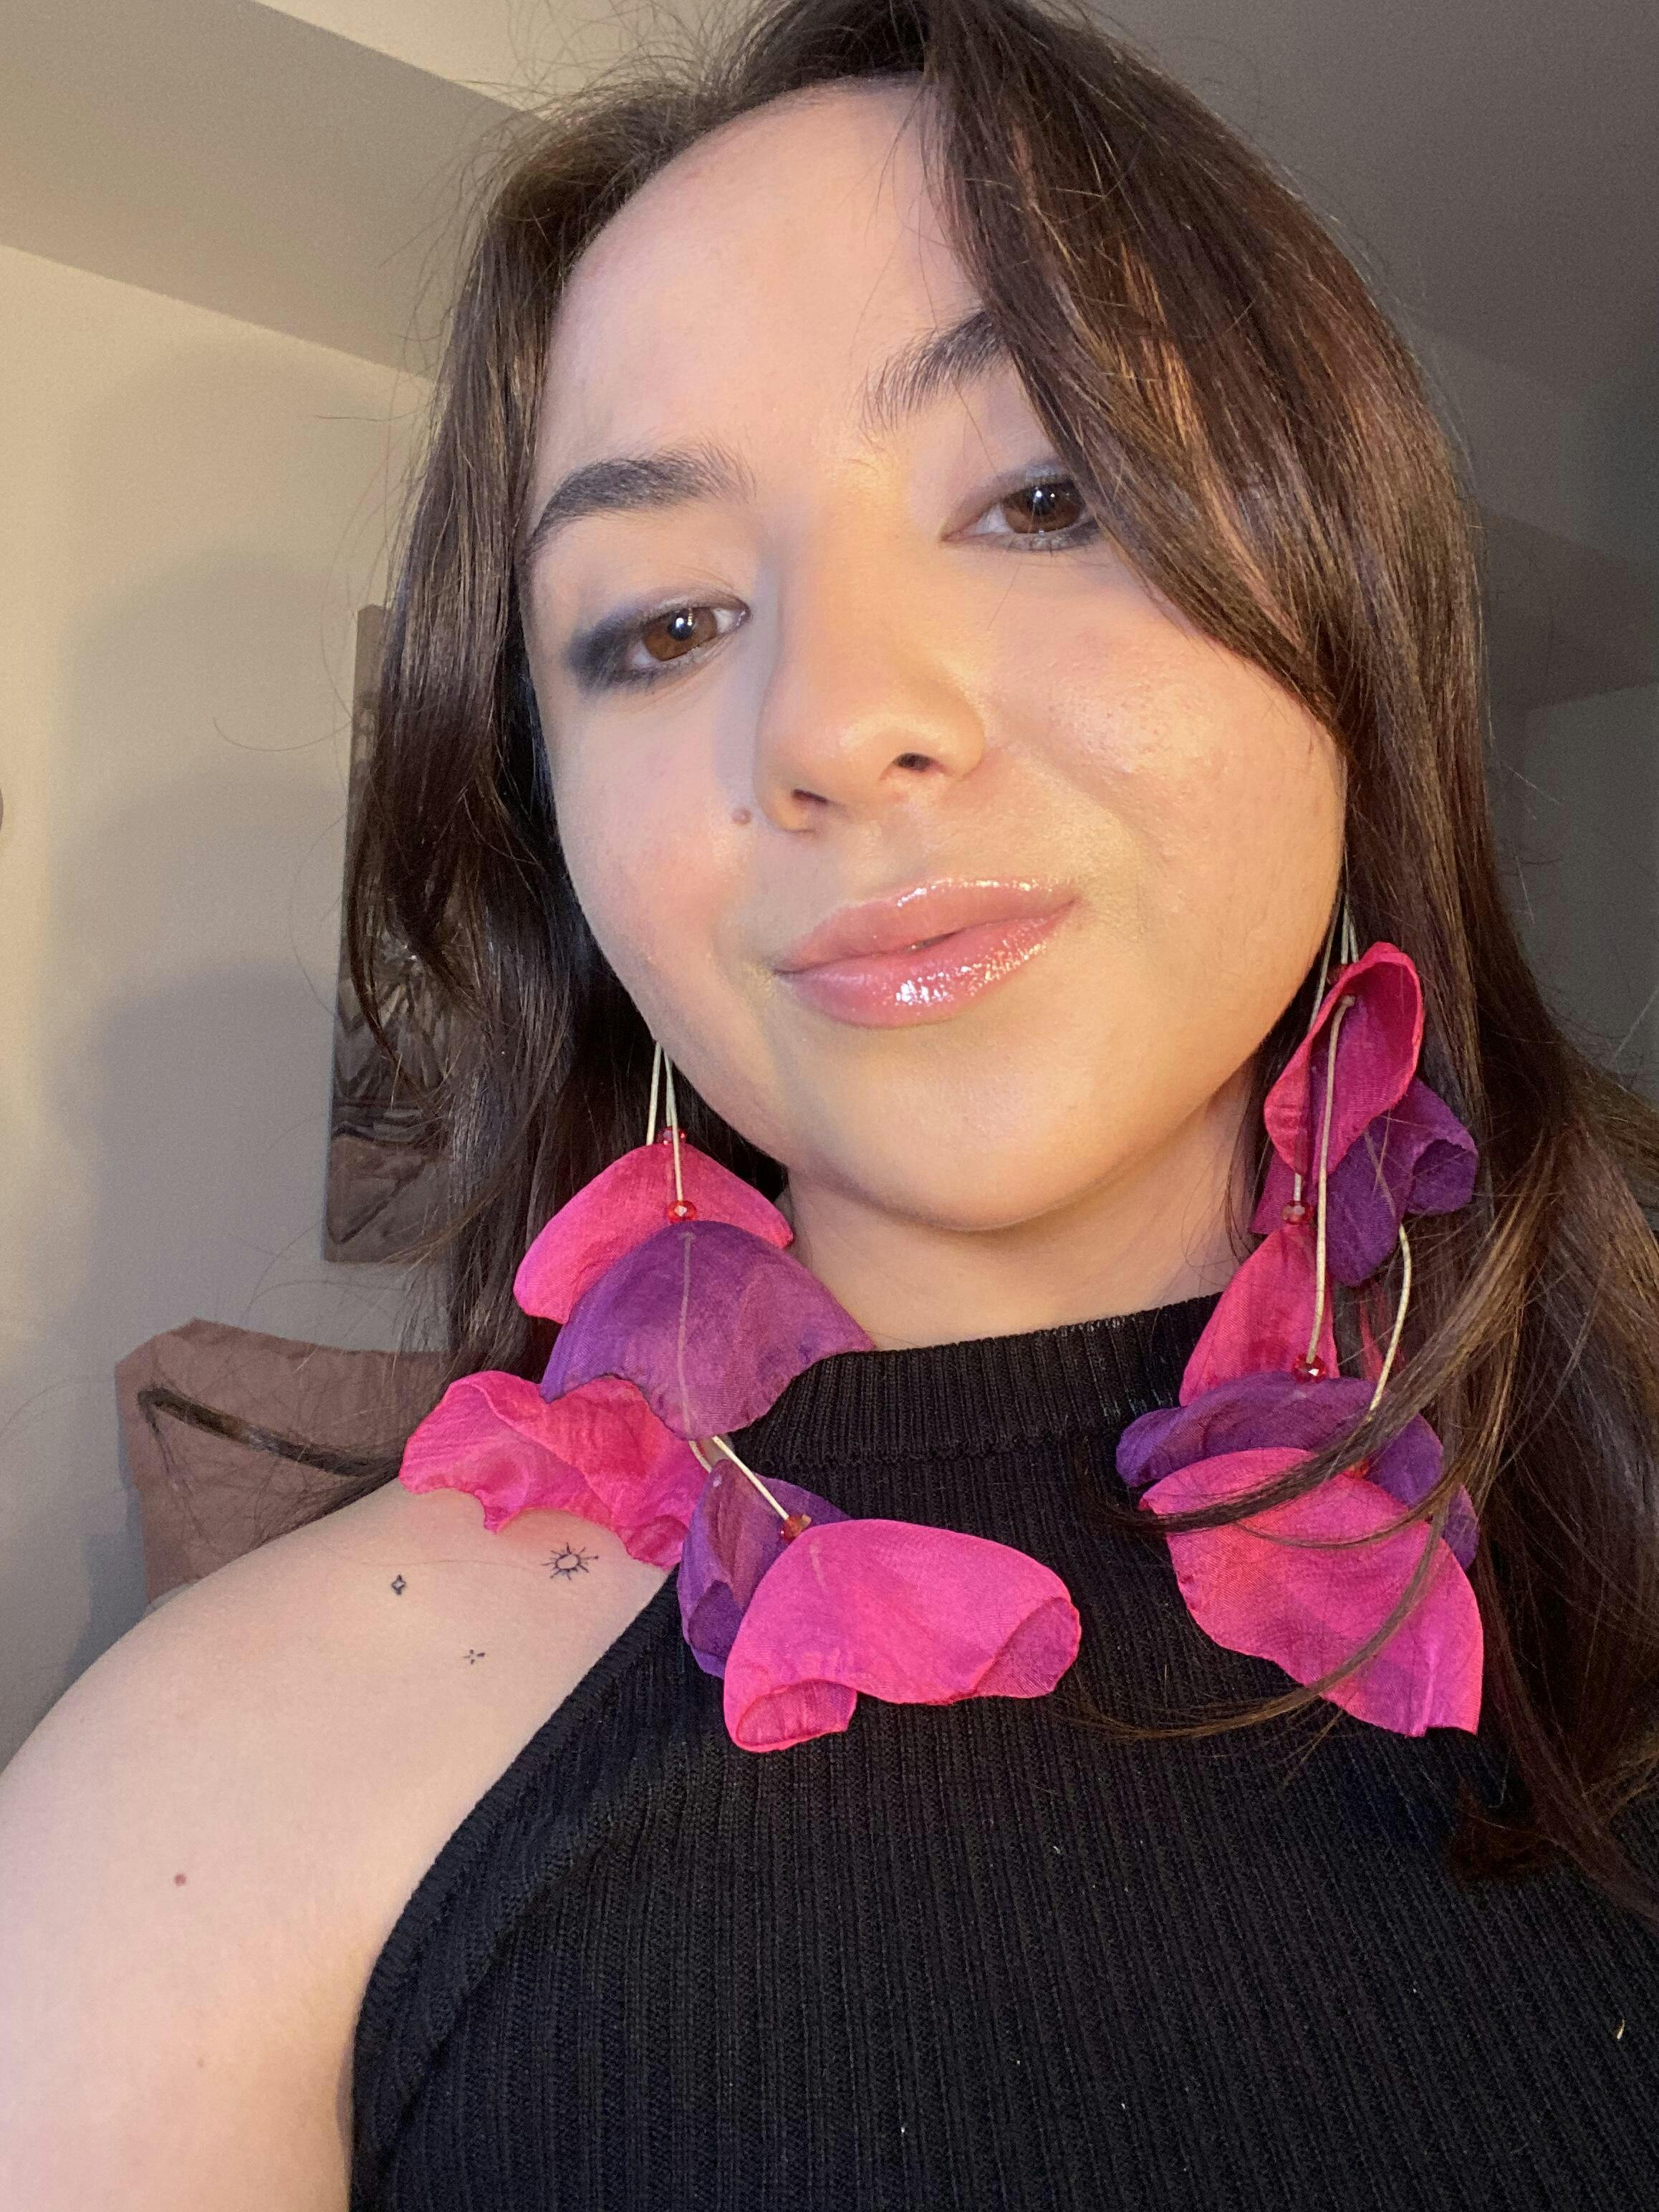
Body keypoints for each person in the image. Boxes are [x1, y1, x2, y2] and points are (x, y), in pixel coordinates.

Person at [5, 1, 1659, 2205]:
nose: (830, 720)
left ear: (1348, 622)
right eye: (664, 625)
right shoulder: (205, 1799)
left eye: (1045, 494)